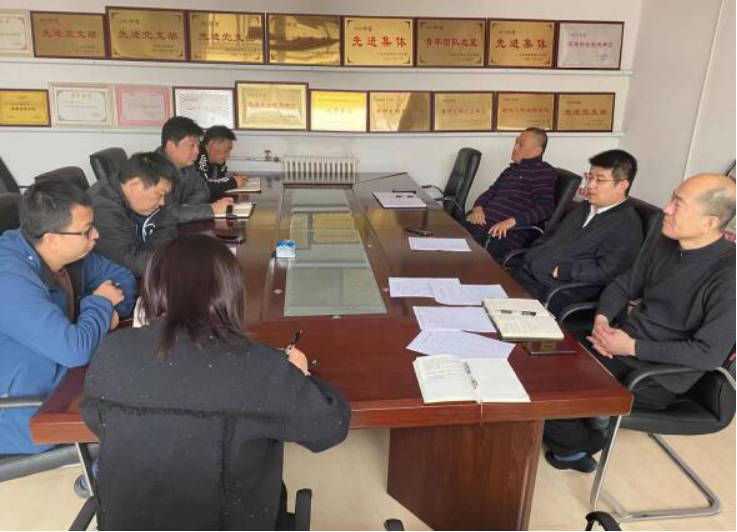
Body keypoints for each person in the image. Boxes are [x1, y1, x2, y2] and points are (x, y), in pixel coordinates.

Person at [82, 235, 351, 530]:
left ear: (153, 288)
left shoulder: (113, 351)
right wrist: (300, 375)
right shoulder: (258, 367)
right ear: (230, 291)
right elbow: (329, 427)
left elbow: (95, 418)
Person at [544, 174, 737, 474]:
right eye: (672, 198)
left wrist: (630, 346)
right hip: (619, 344)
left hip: (656, 375)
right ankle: (577, 428)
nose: (666, 209)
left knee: (547, 396)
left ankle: (581, 444)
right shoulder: (666, 242)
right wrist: (602, 320)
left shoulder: (728, 275)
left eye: (678, 204)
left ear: (709, 223)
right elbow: (623, 286)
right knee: (537, 363)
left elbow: (708, 354)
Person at [0, 181, 136, 455]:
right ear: (52, 239)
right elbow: (75, 350)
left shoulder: (65, 253)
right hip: (23, 412)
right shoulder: (9, 279)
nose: (96, 235)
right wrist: (98, 306)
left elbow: (124, 280)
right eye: (87, 231)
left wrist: (98, 318)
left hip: (62, 381)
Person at [512, 150, 644, 316]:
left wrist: (565, 271)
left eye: (599, 180)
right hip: (530, 273)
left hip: (559, 292)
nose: (590, 185)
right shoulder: (584, 207)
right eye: (590, 177)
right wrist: (536, 251)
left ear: (622, 186)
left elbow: (608, 271)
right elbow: (552, 233)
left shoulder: (626, 225)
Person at [464, 128, 558, 262]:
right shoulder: (510, 171)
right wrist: (478, 207)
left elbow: (545, 208)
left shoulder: (543, 172)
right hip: (483, 227)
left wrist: (511, 222)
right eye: (516, 142)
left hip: (505, 236)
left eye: (521, 144)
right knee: (452, 232)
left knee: (460, 244)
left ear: (537, 151)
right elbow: (490, 192)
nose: (515, 147)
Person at [89, 151, 180, 278]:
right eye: (160, 194)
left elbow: (168, 220)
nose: (162, 202)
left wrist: (152, 252)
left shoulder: (131, 195)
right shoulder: (103, 209)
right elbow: (134, 266)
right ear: (134, 185)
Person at [157, 116, 233, 223]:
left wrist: (186, 211)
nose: (197, 151)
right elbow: (168, 215)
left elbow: (203, 192)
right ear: (171, 146)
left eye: (197, 145)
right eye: (191, 145)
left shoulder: (188, 166)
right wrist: (211, 210)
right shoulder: (155, 170)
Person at [196, 125, 249, 201]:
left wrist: (234, 178)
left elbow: (219, 182)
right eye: (226, 150)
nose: (228, 155)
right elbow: (201, 187)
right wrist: (233, 182)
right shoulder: (198, 155)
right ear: (212, 144)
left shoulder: (218, 161)